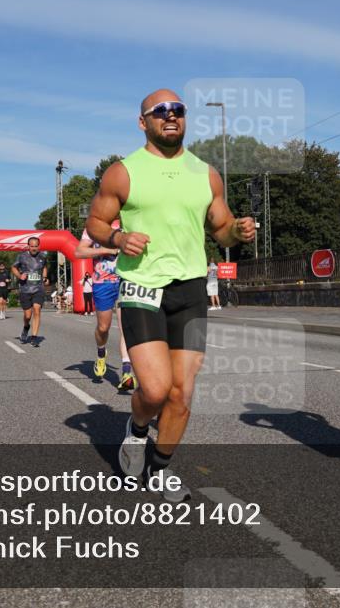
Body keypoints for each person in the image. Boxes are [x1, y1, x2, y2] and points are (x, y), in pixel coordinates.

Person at [86, 88, 255, 501]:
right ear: (143, 122)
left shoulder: (206, 173)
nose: (170, 116)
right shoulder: (123, 172)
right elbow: (94, 222)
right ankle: (138, 428)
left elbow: (220, 226)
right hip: (143, 287)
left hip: (192, 290)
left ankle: (159, 466)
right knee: (157, 389)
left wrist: (239, 231)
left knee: (182, 393)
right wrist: (118, 236)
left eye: (177, 110)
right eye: (159, 111)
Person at [75, 219, 135, 391]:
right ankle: (101, 353)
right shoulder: (95, 226)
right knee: (103, 327)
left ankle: (126, 372)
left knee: (127, 327)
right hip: (103, 282)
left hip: (127, 279)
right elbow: (79, 251)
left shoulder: (129, 220)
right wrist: (107, 249)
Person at [12, 236, 48, 347]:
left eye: (36, 246)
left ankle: (34, 337)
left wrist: (45, 277)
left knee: (37, 310)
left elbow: (44, 267)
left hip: (38, 288)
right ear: (28, 246)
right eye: (31, 246)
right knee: (27, 315)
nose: (33, 248)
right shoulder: (22, 256)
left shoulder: (43, 256)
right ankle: (26, 326)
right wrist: (19, 275)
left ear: (39, 246)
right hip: (25, 289)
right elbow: (13, 267)